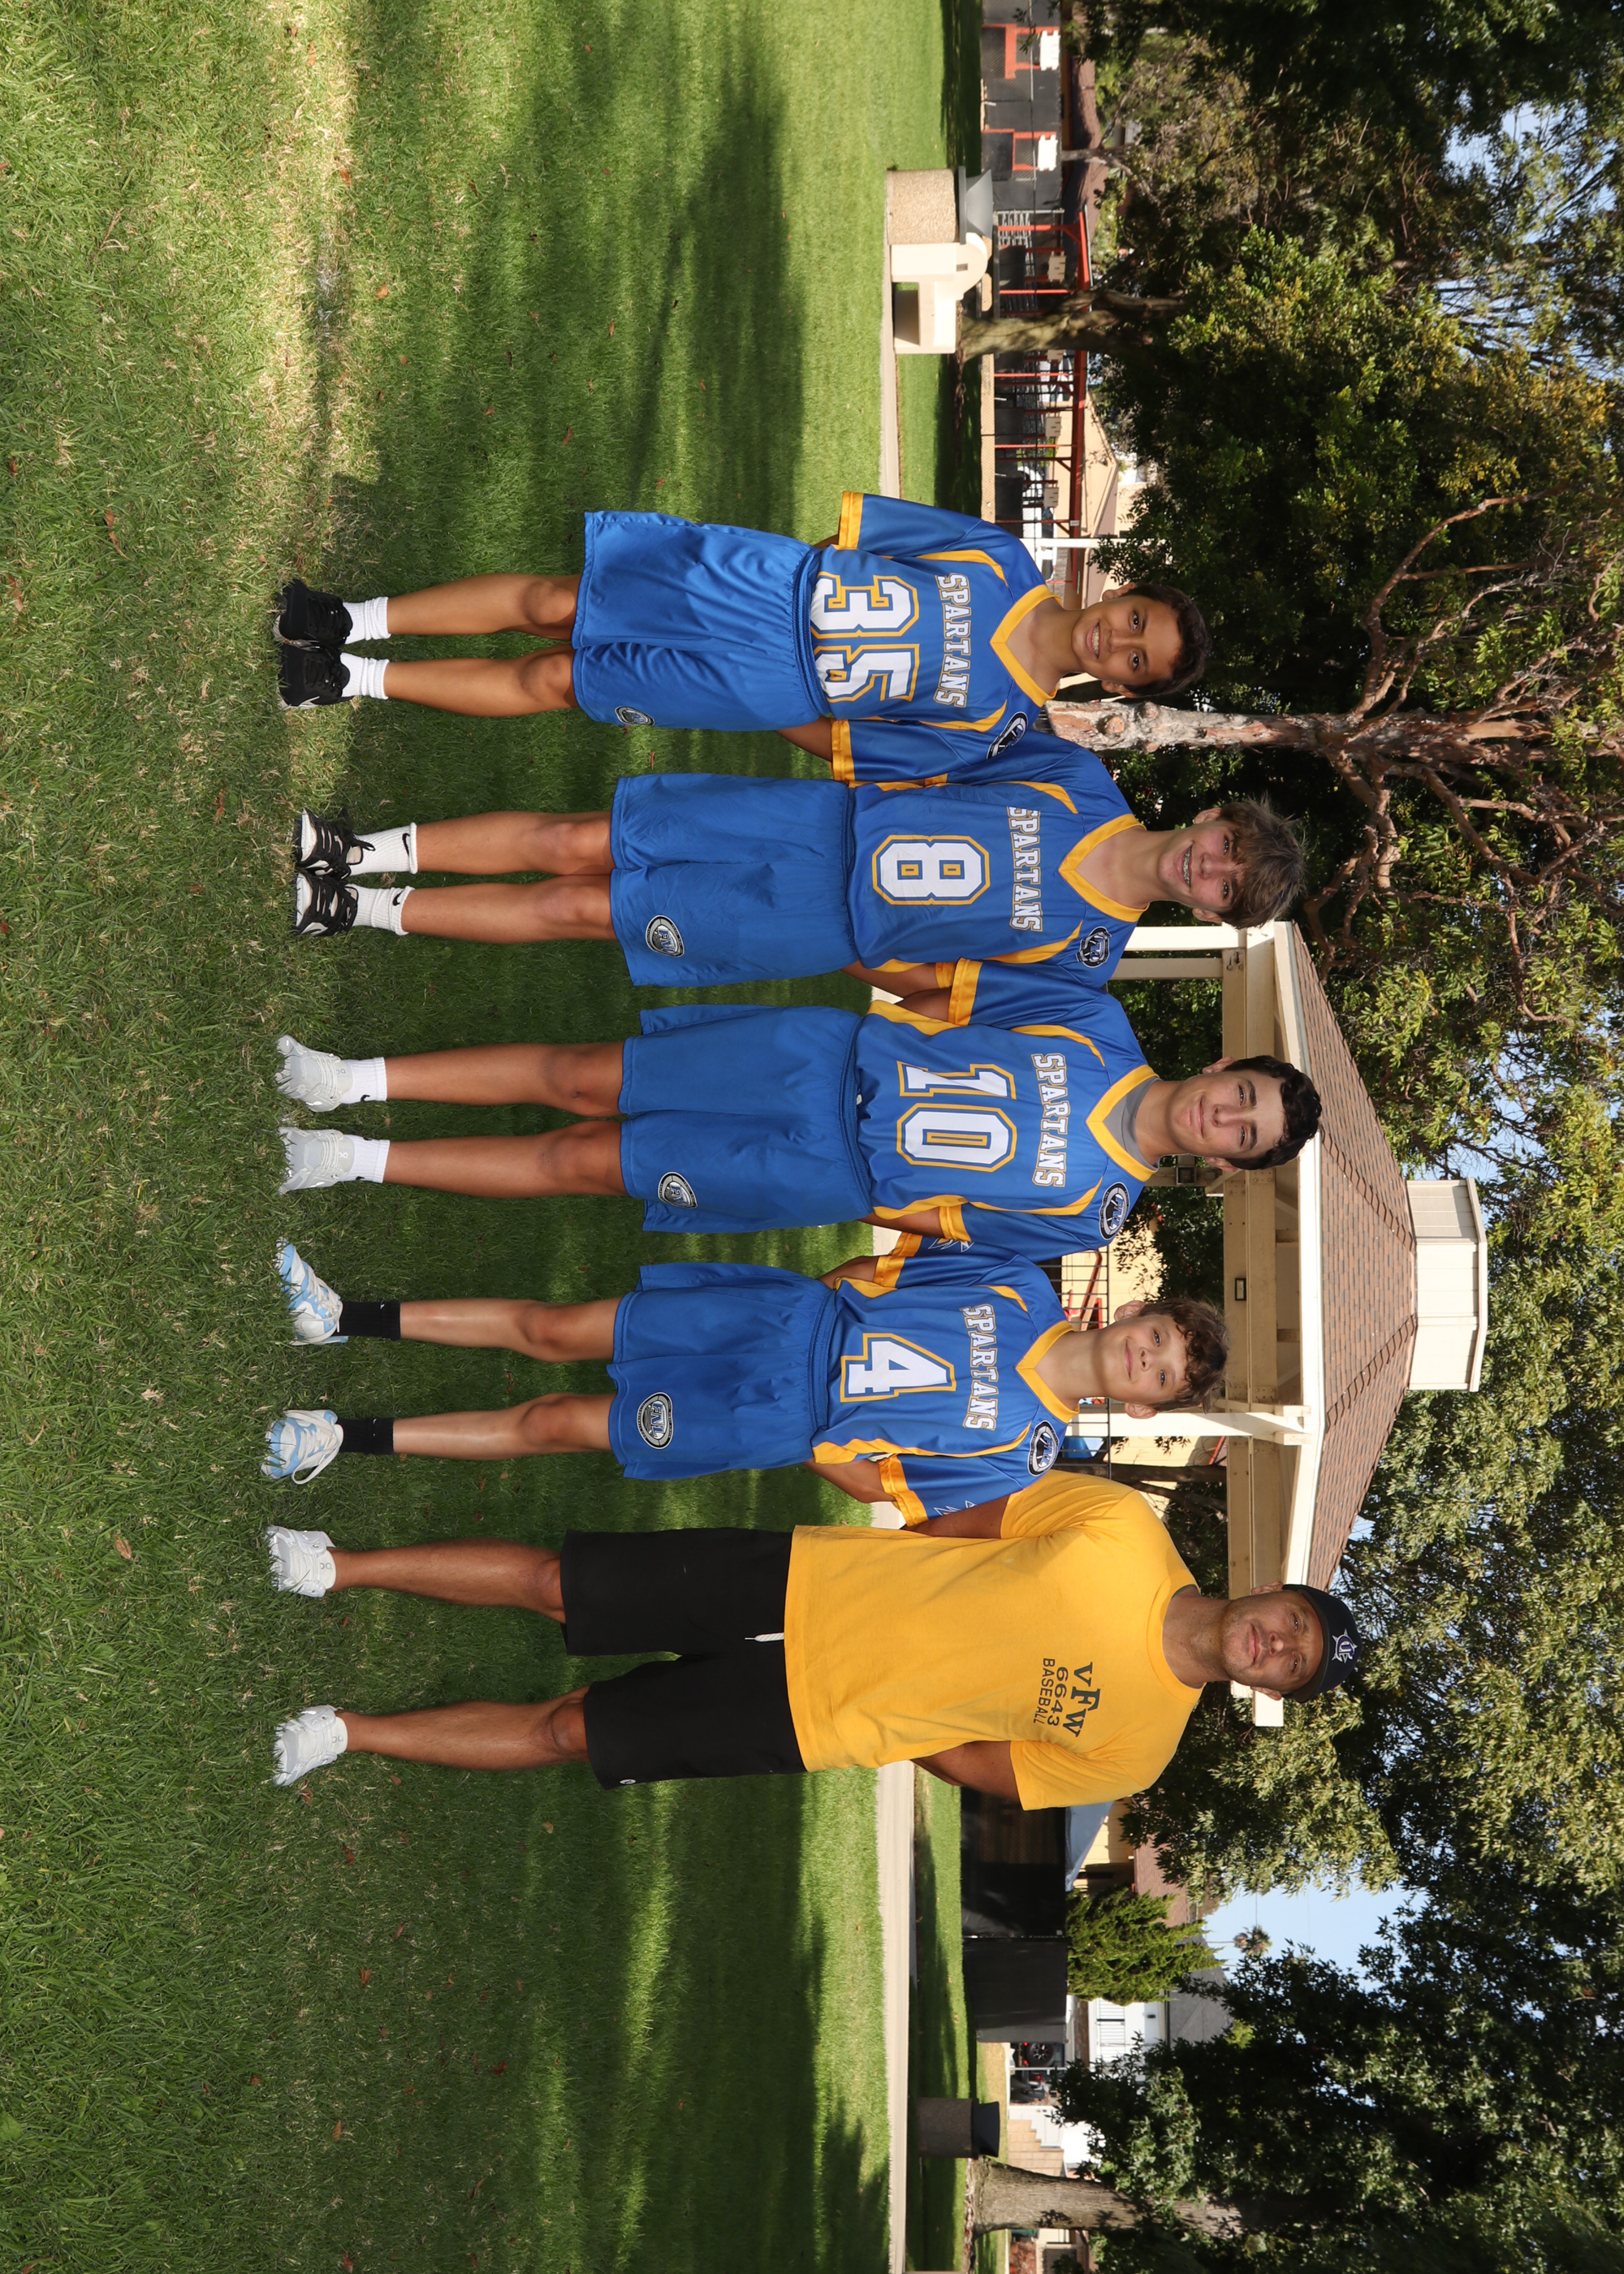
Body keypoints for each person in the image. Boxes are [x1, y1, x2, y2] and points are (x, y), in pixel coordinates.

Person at [263, 1469, 1364, 1795]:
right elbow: (960, 1520)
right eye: (1293, 1625)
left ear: (1271, 1688)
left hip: (811, 1719)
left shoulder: (1140, 1749)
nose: (1277, 1645)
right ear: (1273, 1591)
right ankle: (337, 1565)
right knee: (562, 1584)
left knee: (572, 1731)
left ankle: (348, 1732)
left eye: (1293, 1665)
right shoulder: (1124, 1526)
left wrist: (893, 1717)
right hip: (803, 1582)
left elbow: (987, 1766)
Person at [270, 988, 1323, 1261]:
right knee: (584, 1074)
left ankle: (351, 1158)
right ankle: (351, 1078)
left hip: (827, 1169)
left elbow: (947, 1231)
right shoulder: (1097, 1024)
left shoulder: (1095, 1213)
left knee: (584, 1160)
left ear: (1229, 1164)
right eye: (1243, 1095)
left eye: (1244, 1134)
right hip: (824, 1057)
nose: (1225, 1116)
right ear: (1224, 1067)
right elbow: (954, 992)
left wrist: (850, 1198)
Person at [261, 1237, 1230, 1520]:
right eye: (1156, 1336)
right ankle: (341, 1317)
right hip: (782, 1318)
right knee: (553, 1328)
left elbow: (884, 1488)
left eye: (1160, 1374)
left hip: (781, 1415)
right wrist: (819, 1300)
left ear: (1142, 1403)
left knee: (558, 1419)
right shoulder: (1019, 1284)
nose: (1144, 1356)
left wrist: (803, 1435)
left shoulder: (1026, 1451)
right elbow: (888, 1268)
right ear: (1135, 1315)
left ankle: (341, 1437)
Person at [285, 767, 1305, 1023]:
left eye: (1224, 889)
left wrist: (849, 950)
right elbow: (939, 754)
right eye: (1225, 849)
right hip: (815, 822)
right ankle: (358, 849)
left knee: (580, 910)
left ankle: (354, 909)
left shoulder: (1086, 962)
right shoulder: (1078, 780)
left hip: (813, 922)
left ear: (1209, 915)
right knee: (578, 840)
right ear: (1213, 816)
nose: (1207, 870)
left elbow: (942, 991)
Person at [272, 496, 1209, 772]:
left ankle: (345, 681)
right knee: (561, 600)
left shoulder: (996, 726)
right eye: (1134, 620)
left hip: (771, 687)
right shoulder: (1000, 559)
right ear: (1122, 593)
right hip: (767, 585)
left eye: (1135, 660)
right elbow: (864, 537)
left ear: (1121, 688)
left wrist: (770, 698)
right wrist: (783, 582)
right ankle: (346, 620)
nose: (1115, 640)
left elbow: (849, 747)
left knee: (556, 681)